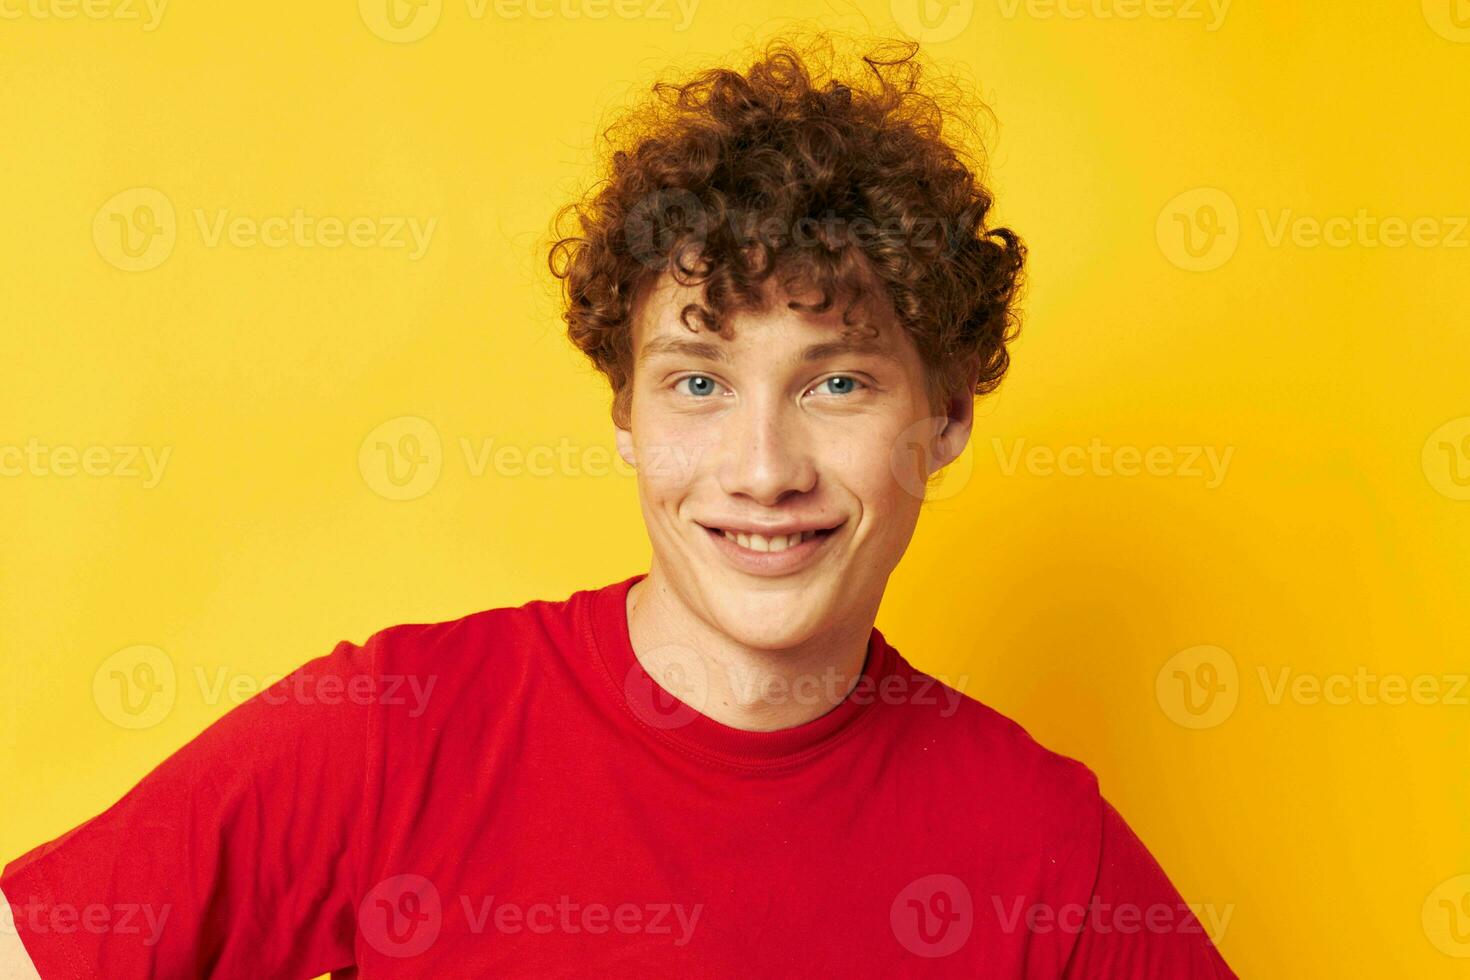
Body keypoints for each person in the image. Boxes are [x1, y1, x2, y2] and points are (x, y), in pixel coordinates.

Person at [1, 36, 1238, 977]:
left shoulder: (1045, 850)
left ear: (948, 416)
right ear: (627, 417)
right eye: (698, 381)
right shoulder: (393, 732)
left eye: (839, 380)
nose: (763, 467)